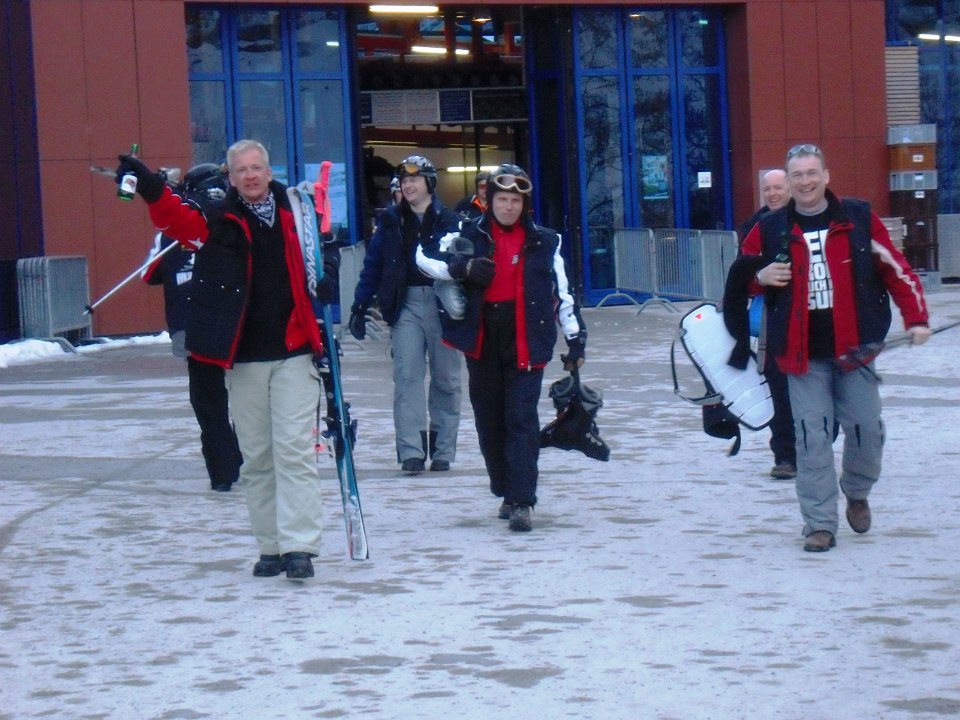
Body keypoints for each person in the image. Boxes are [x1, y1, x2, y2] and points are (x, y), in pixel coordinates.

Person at [116, 139, 339, 580]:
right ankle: (271, 546)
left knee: (294, 450)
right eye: (242, 170)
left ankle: (299, 546)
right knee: (257, 456)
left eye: (257, 168)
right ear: (231, 177)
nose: (251, 176)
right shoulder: (217, 219)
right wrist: (151, 188)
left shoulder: (297, 212)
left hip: (294, 350)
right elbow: (177, 220)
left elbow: (322, 250)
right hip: (244, 356)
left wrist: (327, 274)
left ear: (269, 172)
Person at [740, 144, 931, 552]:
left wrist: (916, 318)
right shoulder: (769, 228)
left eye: (812, 173)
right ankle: (819, 524)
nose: (805, 181)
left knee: (865, 428)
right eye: (797, 175)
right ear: (789, 182)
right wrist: (760, 276)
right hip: (801, 354)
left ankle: (857, 490)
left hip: (855, 349)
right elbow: (740, 275)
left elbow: (896, 269)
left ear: (826, 176)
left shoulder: (858, 218)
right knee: (812, 436)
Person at [416, 163, 585, 532]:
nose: (509, 207)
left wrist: (575, 338)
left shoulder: (547, 241)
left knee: (521, 418)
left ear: (525, 205)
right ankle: (506, 489)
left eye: (515, 201)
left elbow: (563, 294)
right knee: (489, 420)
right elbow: (424, 257)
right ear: (489, 201)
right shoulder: (467, 233)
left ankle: (522, 501)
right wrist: (461, 268)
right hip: (483, 338)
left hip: (527, 336)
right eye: (502, 199)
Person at [348, 155, 462, 474]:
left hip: (443, 304)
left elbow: (465, 265)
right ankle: (411, 450)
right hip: (406, 304)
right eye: (404, 181)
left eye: (414, 179)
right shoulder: (390, 222)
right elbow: (373, 266)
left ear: (429, 183)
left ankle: (442, 450)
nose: (408, 185)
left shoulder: (449, 221)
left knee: (446, 378)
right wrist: (360, 305)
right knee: (407, 376)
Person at [141, 163, 242, 493]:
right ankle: (247, 458)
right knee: (250, 397)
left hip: (193, 325)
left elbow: (149, 274)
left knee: (209, 403)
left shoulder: (173, 228)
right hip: (237, 321)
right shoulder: (238, 219)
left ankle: (222, 472)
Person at [736, 168, 796, 480]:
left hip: (814, 322)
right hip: (774, 322)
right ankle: (785, 455)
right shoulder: (754, 227)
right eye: (767, 189)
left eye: (777, 188)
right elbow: (740, 274)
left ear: (791, 188)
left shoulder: (811, 220)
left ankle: (815, 448)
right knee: (779, 391)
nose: (772, 194)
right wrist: (760, 278)